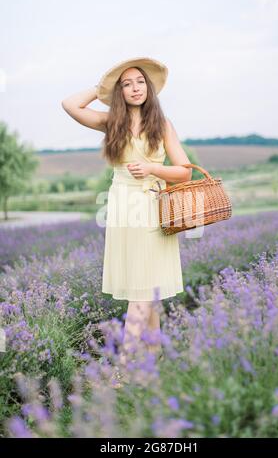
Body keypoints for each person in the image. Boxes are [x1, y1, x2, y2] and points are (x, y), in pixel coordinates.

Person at [61, 57, 192, 386]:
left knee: (143, 292)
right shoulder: (111, 122)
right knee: (150, 293)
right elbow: (69, 104)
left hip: (150, 207)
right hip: (122, 211)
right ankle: (153, 366)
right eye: (127, 84)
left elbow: (185, 171)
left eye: (140, 82)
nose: (135, 88)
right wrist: (100, 87)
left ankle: (120, 371)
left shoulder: (162, 124)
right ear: (119, 91)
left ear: (149, 88)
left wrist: (152, 169)